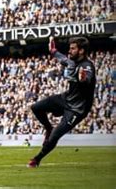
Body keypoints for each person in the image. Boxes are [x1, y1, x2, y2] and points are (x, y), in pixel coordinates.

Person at [27, 37, 96, 168]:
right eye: (70, 48)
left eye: (73, 48)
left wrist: (83, 79)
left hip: (77, 109)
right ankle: (48, 127)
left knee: (55, 136)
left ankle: (37, 159)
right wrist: (53, 51)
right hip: (66, 98)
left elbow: (87, 78)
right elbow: (62, 58)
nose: (69, 51)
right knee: (36, 107)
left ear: (81, 51)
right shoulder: (72, 62)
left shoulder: (87, 66)